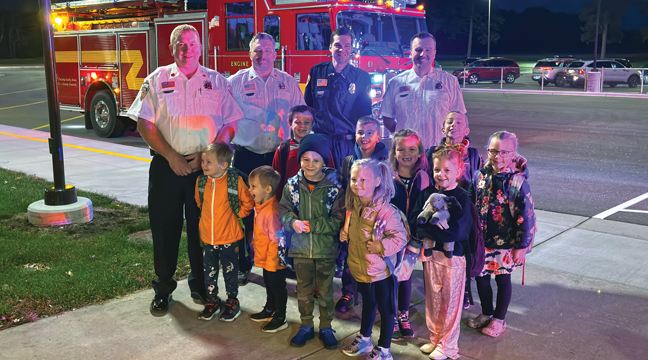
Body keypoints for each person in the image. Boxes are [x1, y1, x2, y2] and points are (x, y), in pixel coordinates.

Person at [127, 24, 243, 312]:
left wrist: (209, 154)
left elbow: (231, 124)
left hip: (205, 170)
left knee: (202, 231)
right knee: (164, 229)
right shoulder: (157, 79)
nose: (186, 49)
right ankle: (163, 288)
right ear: (171, 48)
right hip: (168, 166)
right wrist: (171, 156)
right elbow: (144, 123)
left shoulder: (217, 81)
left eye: (192, 44)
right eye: (180, 44)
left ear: (201, 48)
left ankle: (202, 286)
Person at [229, 32, 306, 285]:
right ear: (249, 54)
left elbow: (301, 118)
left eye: (267, 50)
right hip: (246, 157)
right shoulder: (235, 82)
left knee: (282, 210)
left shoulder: (287, 83)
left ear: (276, 53)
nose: (262, 56)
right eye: (257, 51)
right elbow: (223, 118)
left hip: (277, 158)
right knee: (244, 213)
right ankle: (243, 263)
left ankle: (283, 259)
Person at [278, 133, 345, 350]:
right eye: (305, 159)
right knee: (303, 291)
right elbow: (283, 211)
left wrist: (313, 225)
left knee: (325, 292)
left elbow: (338, 221)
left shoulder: (334, 188)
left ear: (324, 162)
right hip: (300, 249)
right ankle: (306, 325)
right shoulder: (292, 186)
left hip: (326, 251)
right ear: (300, 161)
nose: (310, 164)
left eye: (316, 160)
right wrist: (292, 223)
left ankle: (326, 327)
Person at [466, 131, 535, 338]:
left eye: (505, 152)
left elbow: (526, 216)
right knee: (481, 279)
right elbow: (470, 203)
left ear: (514, 153)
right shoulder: (479, 176)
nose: (498, 156)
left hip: (505, 243)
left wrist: (521, 247)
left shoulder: (517, 182)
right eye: (493, 151)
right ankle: (486, 312)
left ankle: (499, 319)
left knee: (503, 280)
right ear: (487, 151)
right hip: (481, 242)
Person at [410, 145, 473, 360]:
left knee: (451, 303)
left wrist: (428, 229)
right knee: (433, 299)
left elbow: (456, 232)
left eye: (447, 170)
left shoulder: (462, 197)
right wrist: (430, 229)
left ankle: (448, 346)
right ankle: (435, 337)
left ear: (459, 170)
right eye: (437, 170)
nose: (441, 174)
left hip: (453, 258)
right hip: (431, 256)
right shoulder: (428, 194)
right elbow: (414, 223)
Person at [340, 159, 407, 360]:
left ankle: (385, 350)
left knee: (386, 309)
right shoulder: (355, 206)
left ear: (377, 181)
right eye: (353, 179)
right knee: (368, 304)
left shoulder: (386, 211)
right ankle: (365, 339)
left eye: (363, 179)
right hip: (362, 270)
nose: (357, 184)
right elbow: (357, 233)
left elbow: (400, 237)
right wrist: (346, 234)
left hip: (381, 272)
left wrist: (382, 247)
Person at [426, 111, 483, 310]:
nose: (453, 125)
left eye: (459, 122)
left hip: (463, 208)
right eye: (449, 121)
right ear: (443, 128)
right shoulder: (433, 152)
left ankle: (464, 289)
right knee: (438, 252)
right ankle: (437, 287)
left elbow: (482, 178)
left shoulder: (474, 154)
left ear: (466, 130)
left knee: (462, 250)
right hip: (439, 206)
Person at [194, 142, 254, 322]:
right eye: (203, 161)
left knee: (230, 271)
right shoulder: (201, 181)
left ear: (224, 164)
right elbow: (199, 202)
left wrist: (240, 215)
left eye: (208, 162)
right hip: (208, 238)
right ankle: (212, 301)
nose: (204, 165)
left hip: (230, 237)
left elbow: (248, 202)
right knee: (209, 272)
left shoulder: (234, 182)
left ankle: (232, 301)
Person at [336, 116, 389, 313]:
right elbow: (346, 194)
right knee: (350, 257)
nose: (364, 137)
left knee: (372, 258)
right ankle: (347, 292)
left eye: (369, 133)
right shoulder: (348, 161)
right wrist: (347, 224)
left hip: (376, 222)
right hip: (353, 219)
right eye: (360, 132)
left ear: (378, 135)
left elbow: (388, 194)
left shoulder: (384, 162)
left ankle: (373, 296)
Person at [380, 32, 466, 151]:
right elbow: (387, 118)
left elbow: (459, 119)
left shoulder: (449, 82)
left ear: (434, 53)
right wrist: (402, 136)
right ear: (410, 53)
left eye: (428, 50)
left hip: (440, 155)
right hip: (407, 156)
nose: (423, 54)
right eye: (418, 49)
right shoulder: (396, 83)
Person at [304, 27, 372, 170]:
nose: (342, 50)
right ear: (330, 47)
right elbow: (309, 104)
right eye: (337, 45)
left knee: (348, 186)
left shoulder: (361, 77)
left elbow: (365, 115)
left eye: (347, 46)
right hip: (321, 143)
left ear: (351, 48)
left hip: (348, 144)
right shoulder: (316, 72)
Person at [388, 129, 430, 341]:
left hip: (413, 239)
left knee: (404, 276)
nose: (406, 153)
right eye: (401, 149)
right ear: (394, 152)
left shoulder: (423, 178)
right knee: (390, 278)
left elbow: (428, 209)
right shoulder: (387, 176)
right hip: (389, 238)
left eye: (412, 149)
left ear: (419, 152)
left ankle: (403, 314)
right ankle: (390, 316)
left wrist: (423, 239)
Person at [247, 166, 290, 333]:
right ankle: (269, 308)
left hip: (273, 260)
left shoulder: (271, 212)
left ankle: (280, 317)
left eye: (253, 186)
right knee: (269, 284)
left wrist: (272, 260)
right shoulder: (260, 206)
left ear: (268, 189)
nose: (250, 190)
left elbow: (276, 240)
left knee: (277, 287)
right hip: (266, 258)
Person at [271, 105, 335, 201]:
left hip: (317, 203)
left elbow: (331, 177)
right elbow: (276, 180)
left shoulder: (322, 148)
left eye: (307, 122)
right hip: (290, 203)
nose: (302, 126)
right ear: (290, 124)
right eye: (297, 122)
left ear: (312, 124)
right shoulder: (283, 148)